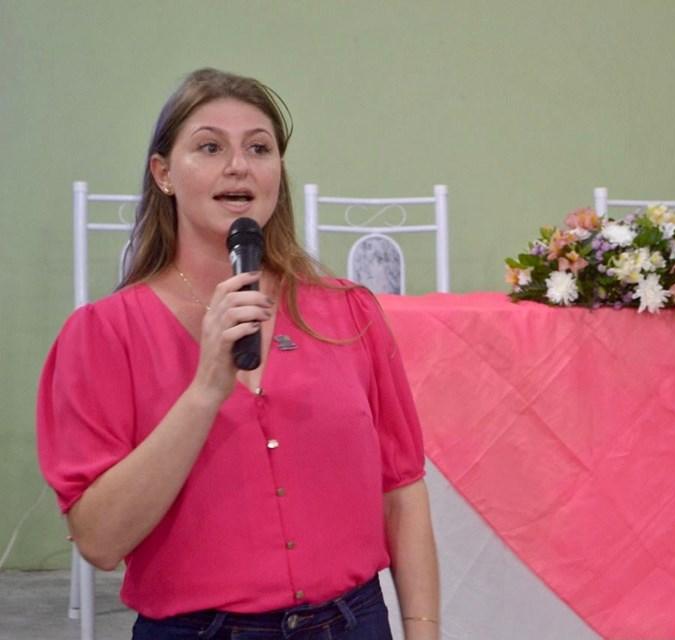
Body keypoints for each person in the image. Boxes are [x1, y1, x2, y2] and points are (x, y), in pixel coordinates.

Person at [36, 68, 439, 640]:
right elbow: (100, 541)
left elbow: (402, 489)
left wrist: (424, 630)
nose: (238, 166)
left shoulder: (349, 314)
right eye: (209, 147)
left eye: (259, 148)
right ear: (164, 174)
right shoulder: (102, 334)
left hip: (353, 623)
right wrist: (204, 390)